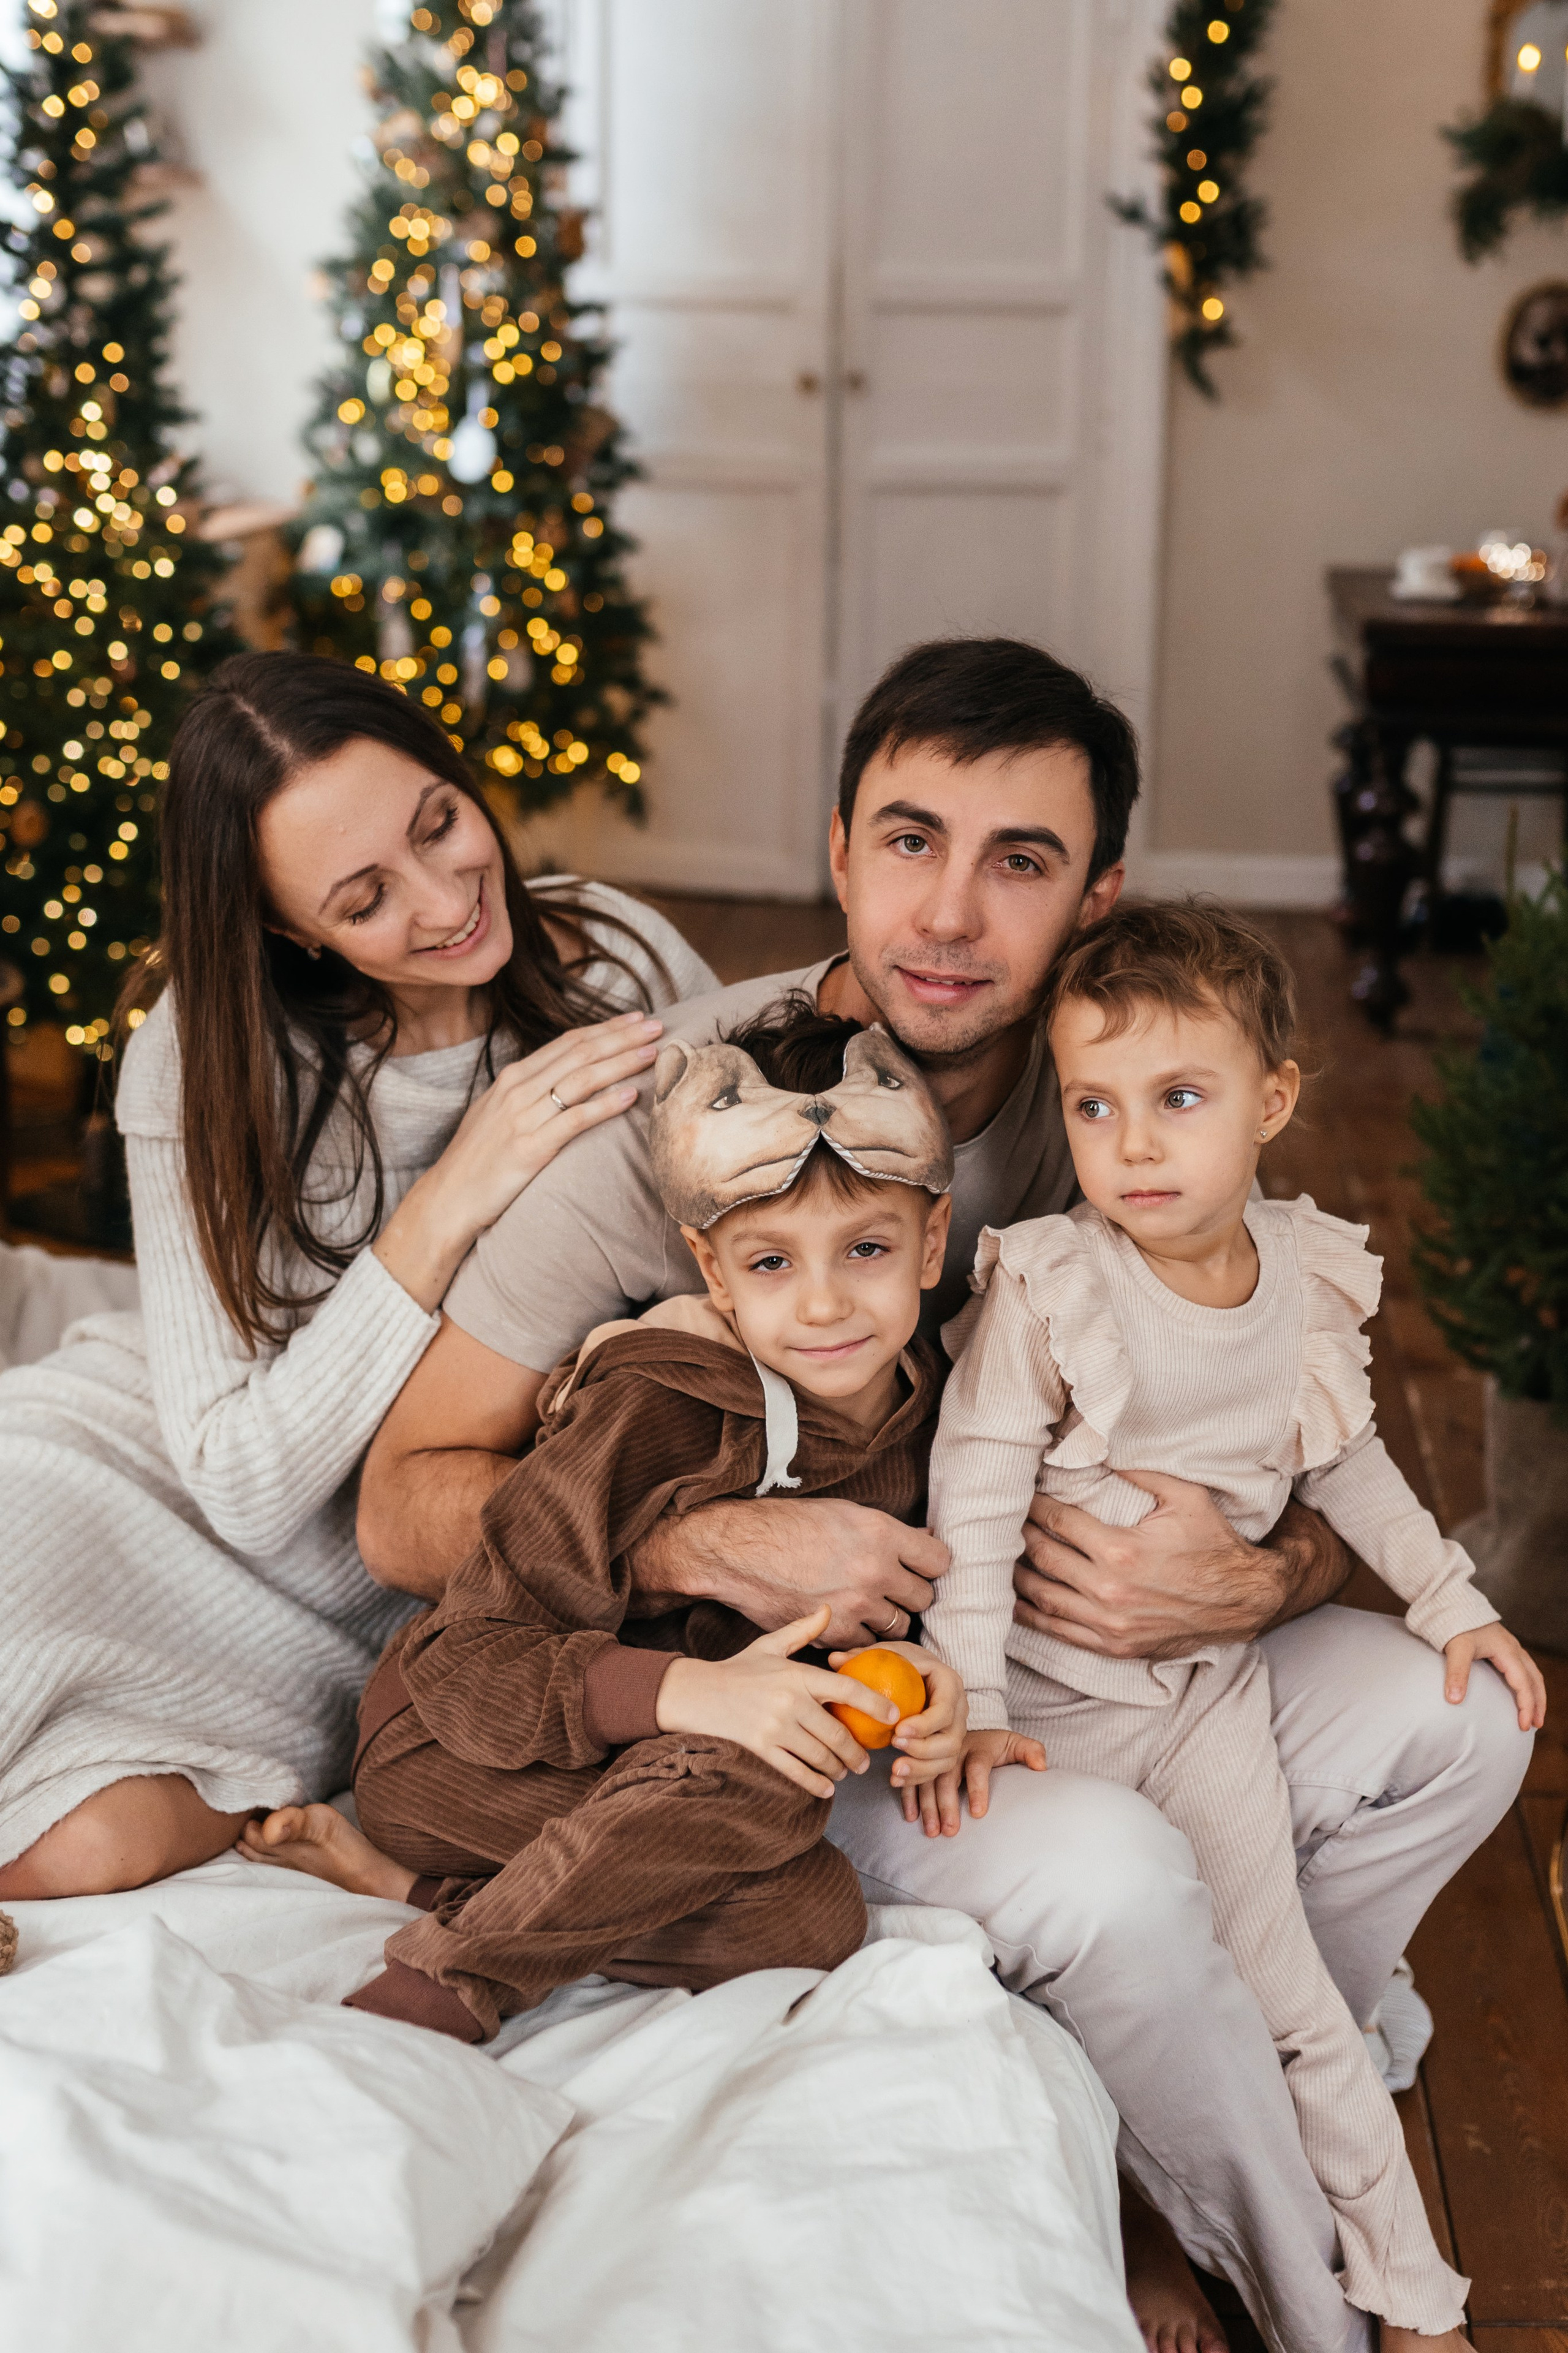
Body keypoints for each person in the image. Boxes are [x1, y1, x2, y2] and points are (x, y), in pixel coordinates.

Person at [355, 636, 1529, 2353]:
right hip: (829, 1719)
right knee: (1119, 1874)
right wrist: (701, 1539)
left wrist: (1262, 1575)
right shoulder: (701, 1112)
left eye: (1021, 861)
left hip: (1115, 1665)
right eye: (910, 840)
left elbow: (1316, 1436)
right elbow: (401, 1500)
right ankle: (1253, 2236)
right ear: (839, 850)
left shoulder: (1129, 1092)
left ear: (1097, 898)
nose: (952, 913)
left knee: (1462, 1721)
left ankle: (1201, 2101)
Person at [922, 901, 1544, 2352]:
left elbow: (1352, 1461)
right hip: (1048, 1715)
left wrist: (1452, 1599)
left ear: (1270, 1100)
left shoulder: (1300, 1275)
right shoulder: (1054, 1283)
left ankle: (1414, 2301)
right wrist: (973, 1700)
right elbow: (974, 1493)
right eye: (1093, 1105)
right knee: (1168, 1976)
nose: (1130, 1144)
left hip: (1205, 1701)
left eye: (1177, 1099)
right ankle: (1250, 2278)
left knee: (1294, 2009)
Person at [0, 651, 713, 1903]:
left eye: (439, 823)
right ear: (288, 926)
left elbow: (766, 1203)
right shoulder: (202, 1053)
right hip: (149, 1467)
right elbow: (241, 1480)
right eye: (366, 897)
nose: (445, 900)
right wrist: (455, 1189)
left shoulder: (617, 961)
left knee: (84, 1846)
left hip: (400, 1561)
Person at [246, 1003, 967, 2042]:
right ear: (712, 1271)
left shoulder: (939, 1410)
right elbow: (463, 1659)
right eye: (771, 1262)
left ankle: (423, 1895)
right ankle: (443, 1986)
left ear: (931, 1240)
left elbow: (842, 1639)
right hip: (459, 1747)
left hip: (665, 1776)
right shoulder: (654, 1400)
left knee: (812, 1916)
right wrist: (692, 1692)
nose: (823, 1305)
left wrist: (925, 1683)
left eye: (865, 1248)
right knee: (765, 1763)